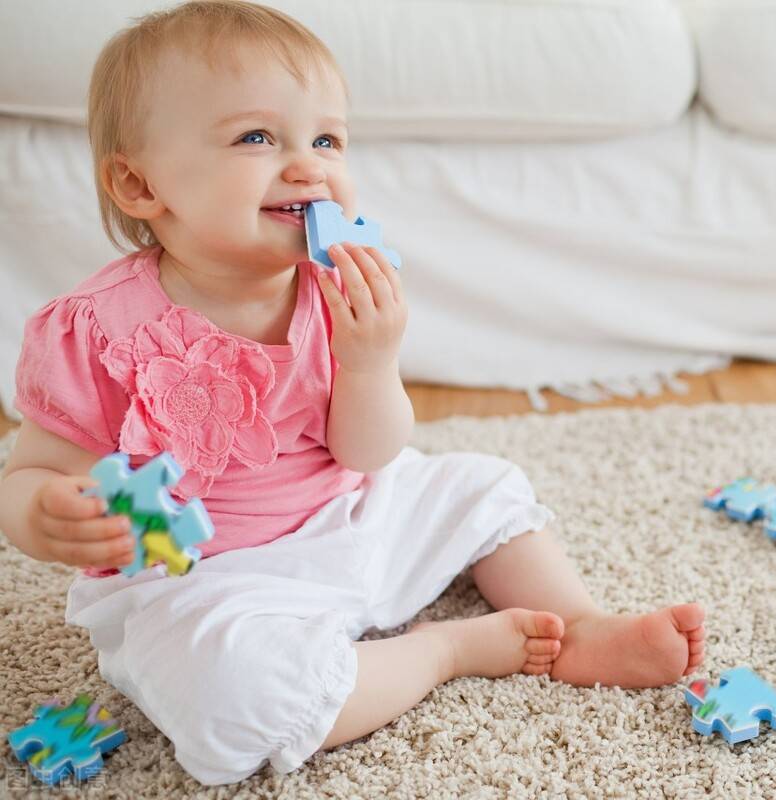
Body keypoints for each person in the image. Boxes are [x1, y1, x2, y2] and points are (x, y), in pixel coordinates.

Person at [0, 1, 705, 785]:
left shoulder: (333, 287)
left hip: (350, 514)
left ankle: (578, 625)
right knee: (235, 697)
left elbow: (369, 453)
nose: (309, 165)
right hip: (207, 580)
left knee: (483, 486)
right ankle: (441, 650)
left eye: (327, 138)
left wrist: (372, 362)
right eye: (256, 138)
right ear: (140, 184)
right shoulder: (97, 332)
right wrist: (43, 513)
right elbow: (31, 470)